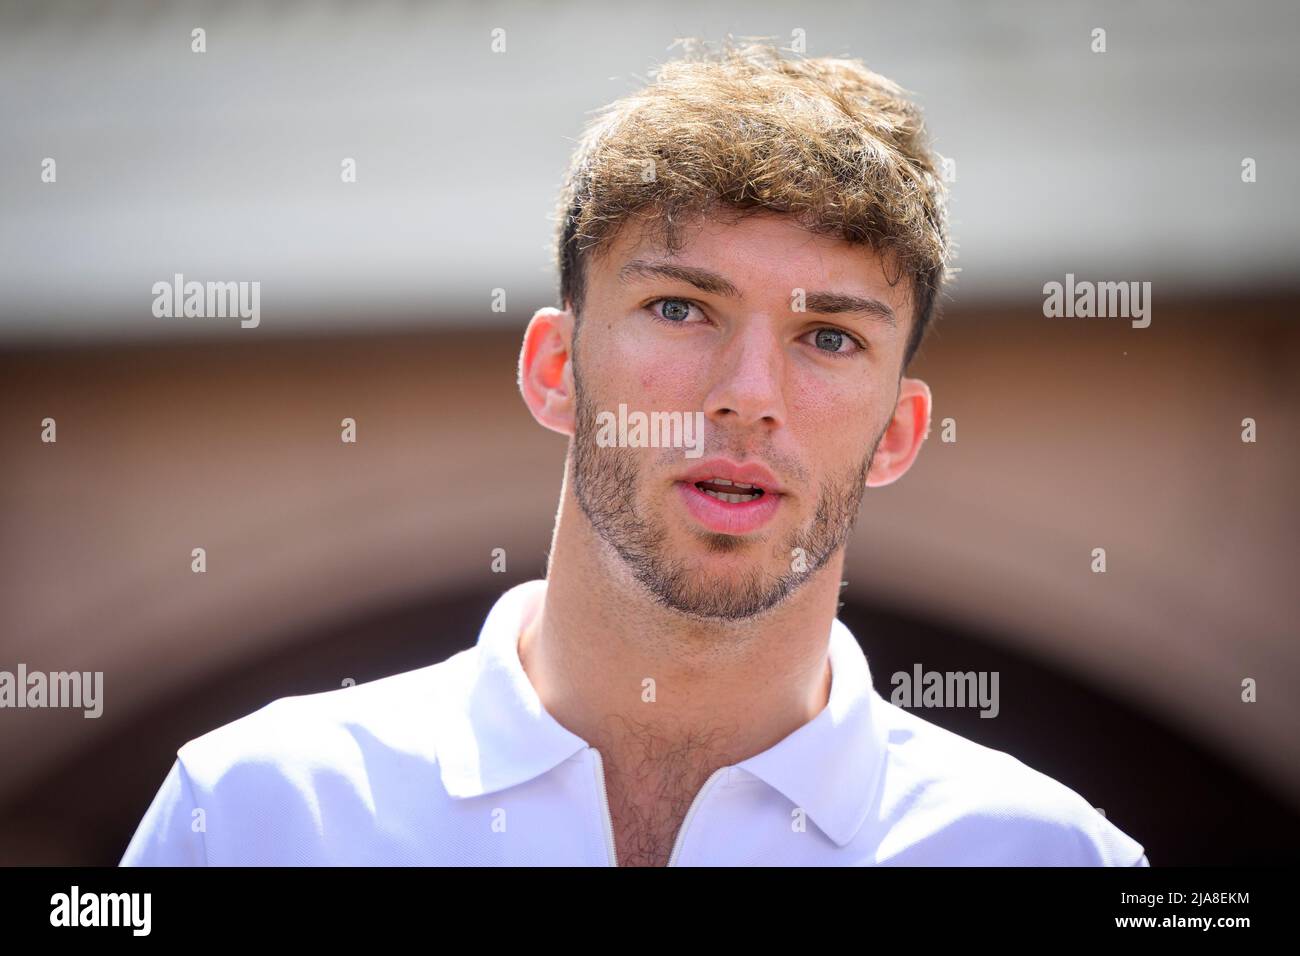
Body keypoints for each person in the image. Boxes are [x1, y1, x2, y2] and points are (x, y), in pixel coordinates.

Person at [121, 38, 1149, 867]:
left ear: (898, 433)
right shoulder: (255, 813)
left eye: (828, 335)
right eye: (679, 308)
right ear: (554, 366)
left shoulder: (1047, 854)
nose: (747, 396)